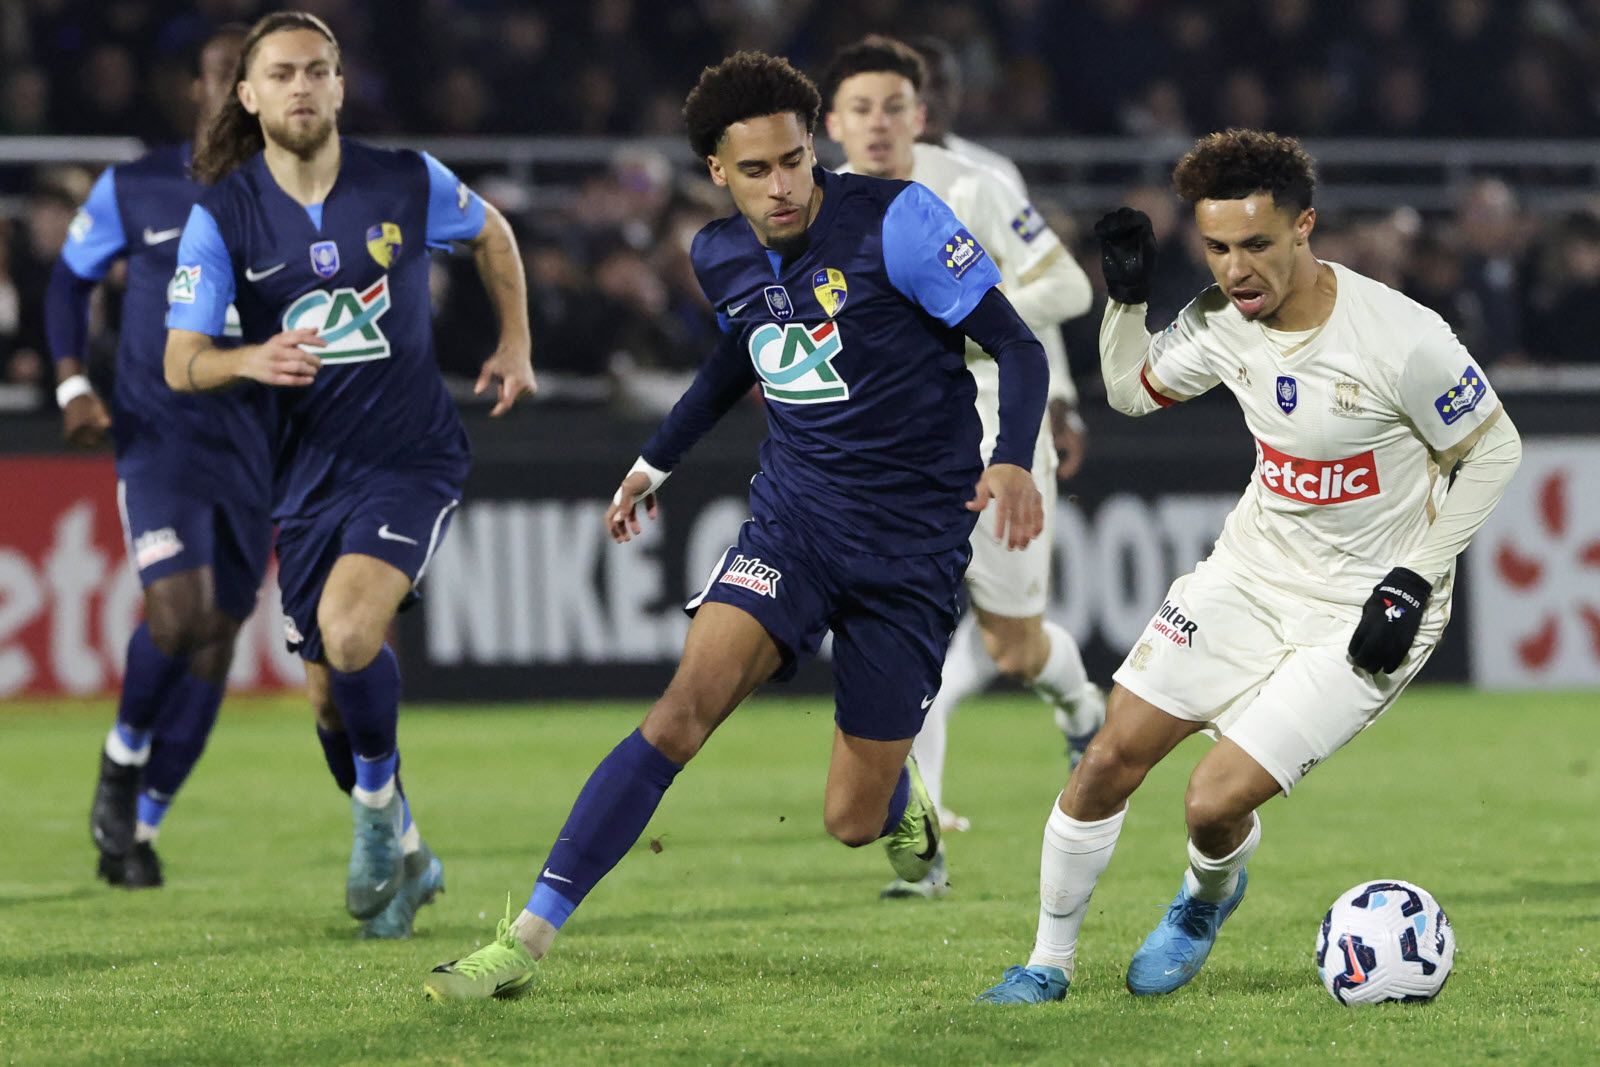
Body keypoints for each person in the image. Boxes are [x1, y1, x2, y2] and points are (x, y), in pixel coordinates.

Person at [423, 49, 1048, 1001]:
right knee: (680, 714)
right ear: (718, 172)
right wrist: (651, 462)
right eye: (755, 170)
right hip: (792, 526)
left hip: (911, 550)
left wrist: (1011, 453)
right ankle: (525, 939)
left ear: (813, 149)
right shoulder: (716, 253)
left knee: (850, 816)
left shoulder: (899, 221)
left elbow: (1015, 340)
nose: (782, 185)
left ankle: (900, 807)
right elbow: (732, 364)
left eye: (794, 161)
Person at [977, 129, 1522, 1004]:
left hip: (1364, 607)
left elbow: (1493, 451)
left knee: (1210, 802)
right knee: (1109, 756)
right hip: (1247, 574)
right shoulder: (1225, 322)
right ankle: (1047, 963)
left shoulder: (1401, 338)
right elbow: (1130, 391)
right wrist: (1125, 300)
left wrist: (1415, 576)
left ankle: (1203, 901)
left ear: (1306, 226)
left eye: (1258, 246)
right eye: (1218, 247)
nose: (1237, 270)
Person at [162, 11, 535, 937]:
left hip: (411, 457)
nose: (300, 86)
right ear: (249, 95)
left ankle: (375, 827)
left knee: (350, 628)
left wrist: (516, 341)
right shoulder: (224, 213)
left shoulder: (406, 179)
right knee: (331, 693)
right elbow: (182, 360)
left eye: (316, 71)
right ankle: (408, 847)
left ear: (338, 87)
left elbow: (492, 233)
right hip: (303, 480)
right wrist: (247, 360)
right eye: (281, 73)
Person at [822, 34, 1102, 897]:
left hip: (994, 442)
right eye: (861, 110)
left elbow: (1068, 288)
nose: (878, 125)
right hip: (887, 450)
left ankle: (1083, 708)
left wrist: (961, 313)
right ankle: (924, 845)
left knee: (1011, 647)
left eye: (893, 108)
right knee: (902, 637)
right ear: (832, 123)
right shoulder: (815, 204)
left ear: (921, 114)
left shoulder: (974, 186)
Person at [50, 26, 264, 892]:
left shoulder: (292, 196)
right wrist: (71, 383)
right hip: (158, 432)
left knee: (217, 637)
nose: (234, 88)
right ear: (196, 88)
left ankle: (139, 825)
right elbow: (67, 279)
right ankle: (121, 756)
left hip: (257, 441)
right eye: (223, 73)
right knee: (176, 615)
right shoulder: (136, 186)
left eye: (248, 75)